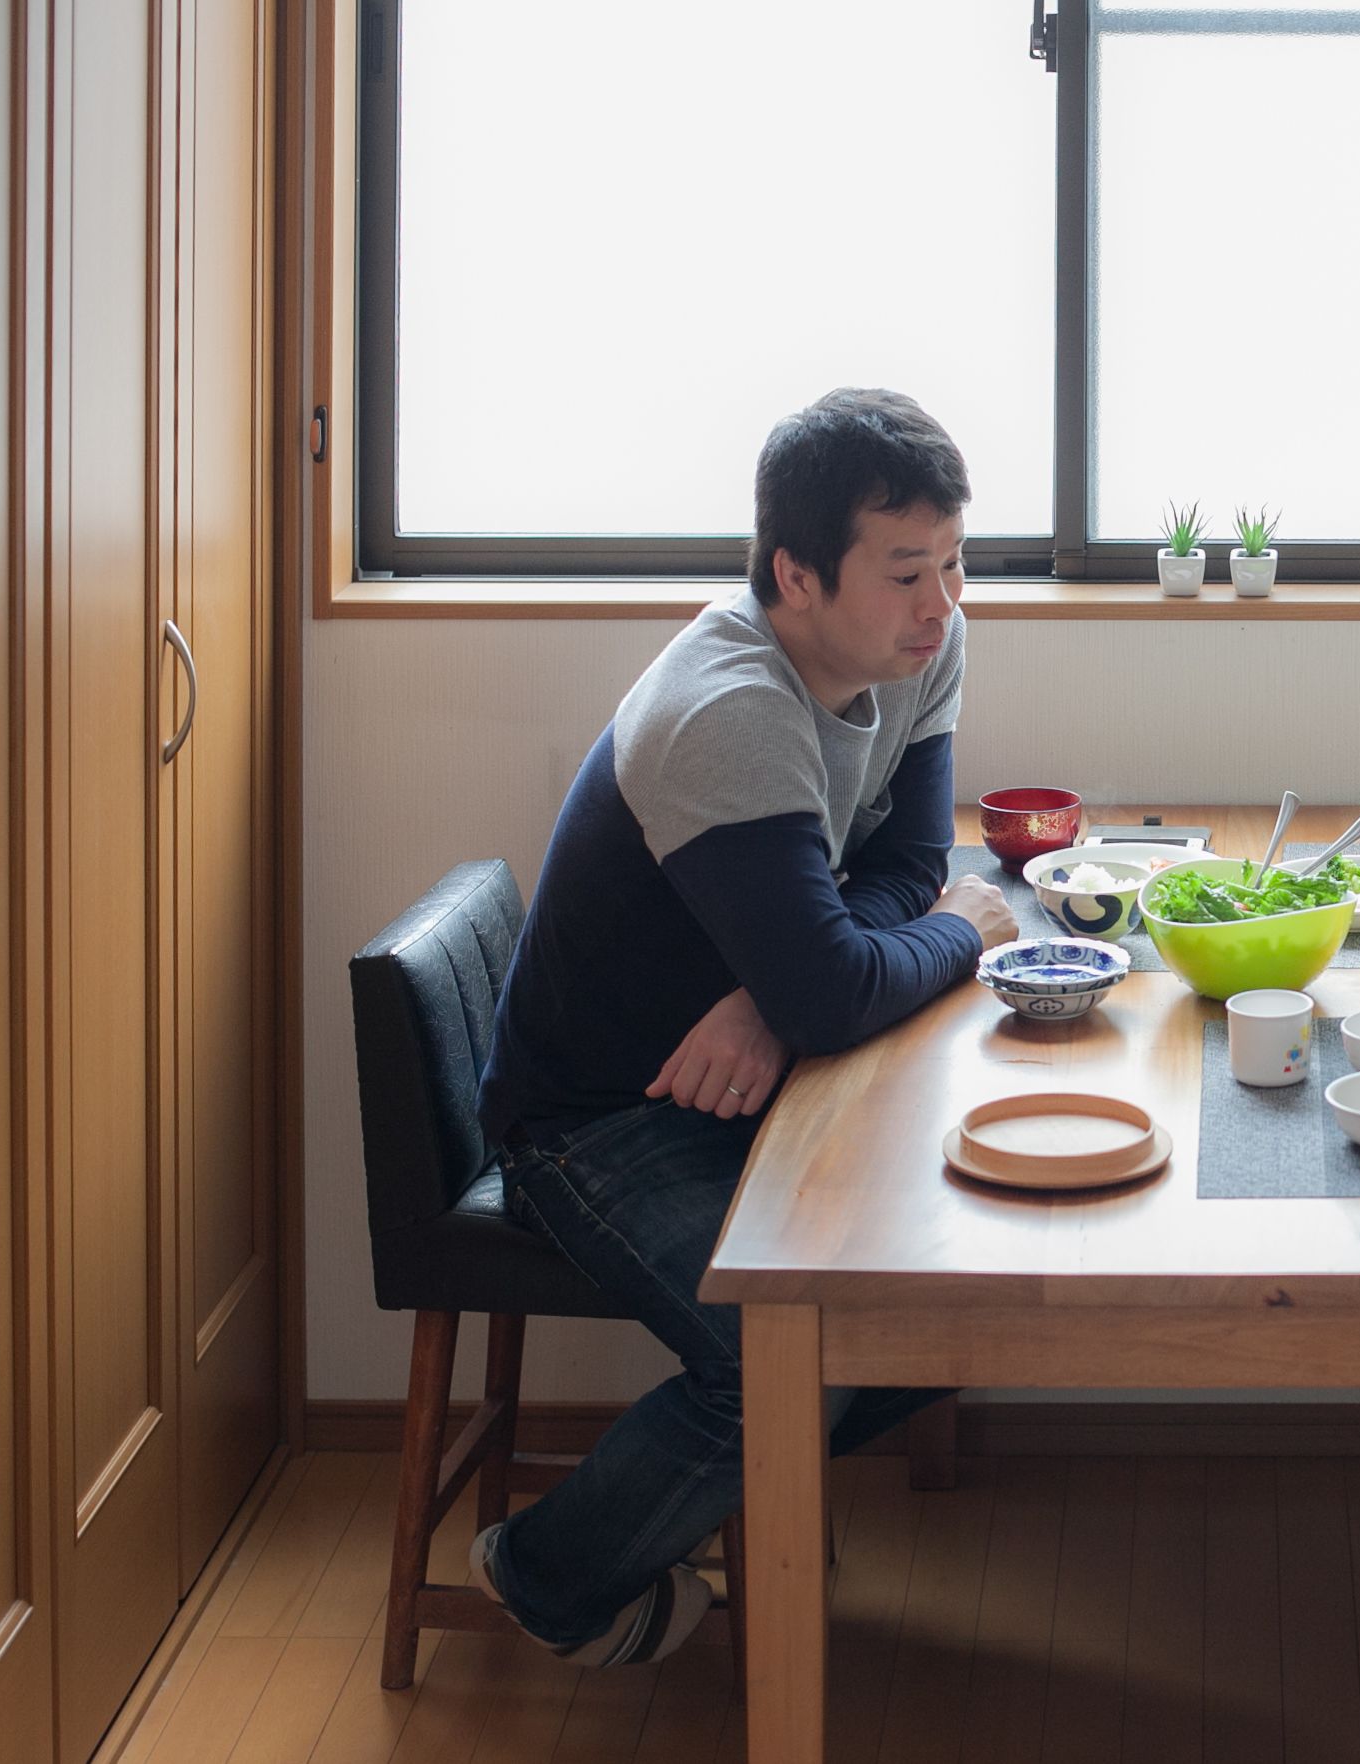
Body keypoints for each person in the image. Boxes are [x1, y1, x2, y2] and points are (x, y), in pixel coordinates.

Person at [466, 387, 1017, 1667]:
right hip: (597, 1120)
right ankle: (545, 1575)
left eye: (954, 563)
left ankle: (669, 1520)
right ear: (797, 573)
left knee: (952, 1303)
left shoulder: (919, 646)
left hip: (757, 1080)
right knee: (791, 1362)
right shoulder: (733, 712)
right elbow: (905, 925)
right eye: (905, 572)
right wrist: (936, 941)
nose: (941, 602)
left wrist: (789, 990)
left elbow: (909, 859)